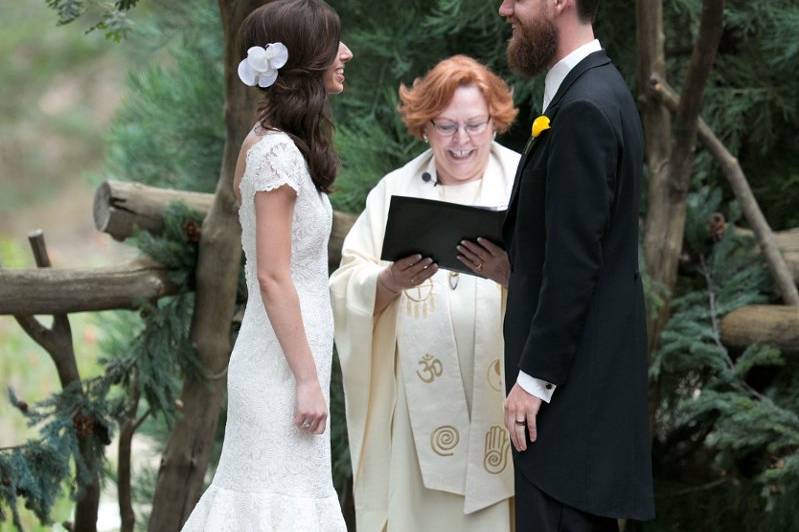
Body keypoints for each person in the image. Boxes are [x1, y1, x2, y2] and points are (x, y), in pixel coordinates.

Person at [181, 1, 352, 530]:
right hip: (280, 365)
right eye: (333, 46)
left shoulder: (280, 145)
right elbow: (272, 274)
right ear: (304, 63)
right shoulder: (276, 155)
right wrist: (305, 378)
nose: (347, 53)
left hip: (291, 353)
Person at [330, 55, 520, 532]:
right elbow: (344, 288)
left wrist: (509, 274)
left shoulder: (525, 185)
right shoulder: (394, 191)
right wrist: (389, 282)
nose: (462, 142)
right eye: (446, 127)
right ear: (424, 127)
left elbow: (570, 285)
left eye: (475, 125)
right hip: (417, 424)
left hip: (501, 413)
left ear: (495, 121)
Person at [498, 0, 655, 530]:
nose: (505, 9)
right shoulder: (593, 89)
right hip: (580, 404)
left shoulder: (584, 106)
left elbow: (576, 265)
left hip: (567, 413)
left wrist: (534, 381)